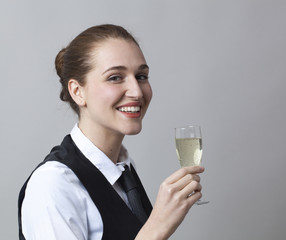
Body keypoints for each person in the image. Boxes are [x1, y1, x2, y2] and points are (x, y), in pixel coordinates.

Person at [18, 24, 204, 240]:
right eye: (115, 77)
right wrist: (157, 227)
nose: (136, 91)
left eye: (141, 76)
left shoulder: (124, 169)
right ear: (77, 92)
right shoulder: (53, 184)